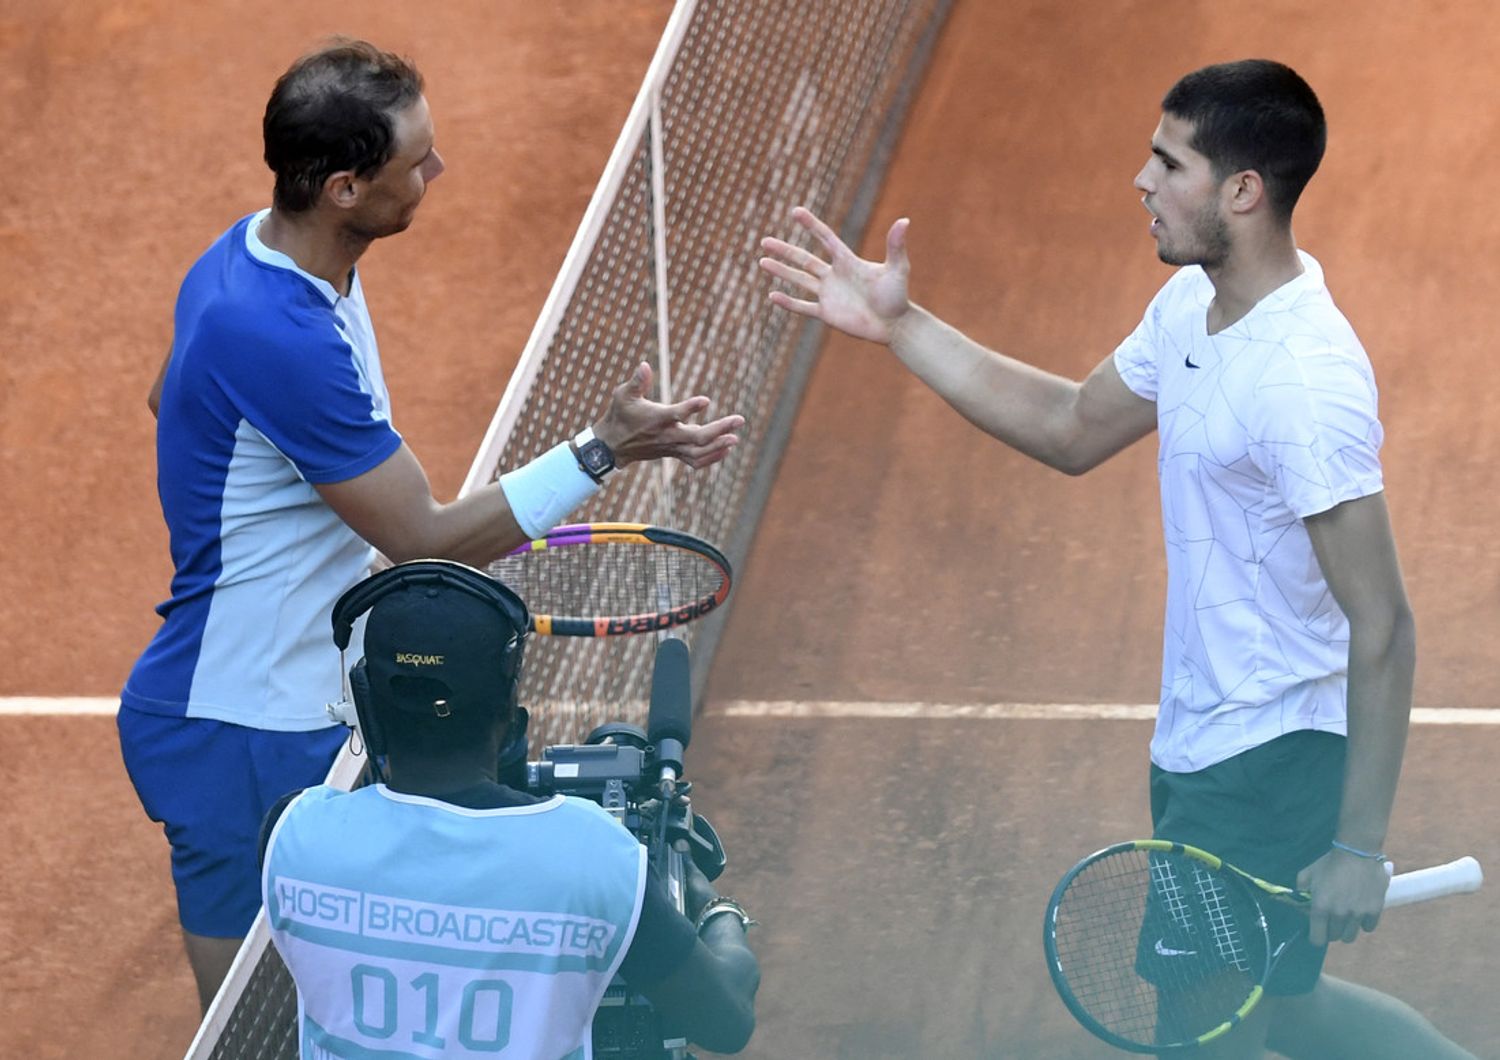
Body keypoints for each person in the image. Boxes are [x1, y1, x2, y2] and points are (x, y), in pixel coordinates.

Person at [759, 59, 1471, 1058]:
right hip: (1206, 740)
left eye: (1167, 161)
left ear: (1243, 191)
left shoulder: (1304, 379)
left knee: (1200, 1034)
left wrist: (1356, 844)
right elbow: (1068, 425)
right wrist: (899, 326)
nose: (1141, 179)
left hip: (1263, 767)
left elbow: (1385, 622)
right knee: (1288, 1013)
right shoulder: (1194, 310)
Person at [120, 38, 744, 1013]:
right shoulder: (277, 332)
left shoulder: (248, 256)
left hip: (275, 705)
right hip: (246, 732)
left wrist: (277, 507)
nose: (436, 173)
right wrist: (601, 450)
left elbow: (173, 400)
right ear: (342, 187)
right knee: (263, 1031)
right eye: (416, 161)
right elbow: (428, 542)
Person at [259, 559, 760, 1059]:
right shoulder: (590, 856)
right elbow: (726, 1021)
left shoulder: (292, 837)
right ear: (511, 717)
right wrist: (719, 911)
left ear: (368, 708)